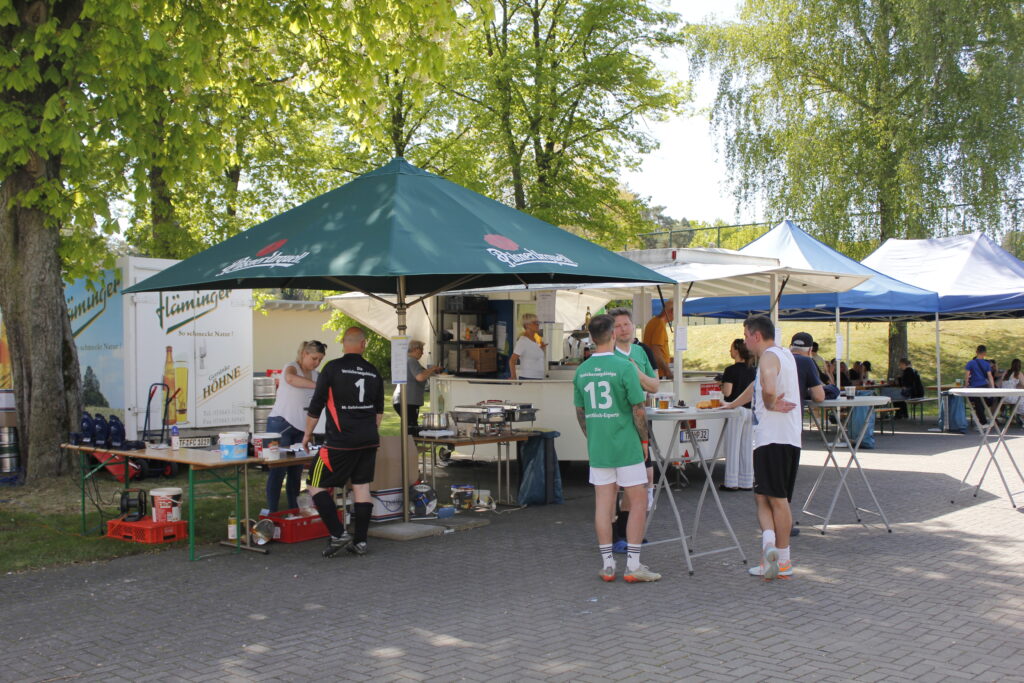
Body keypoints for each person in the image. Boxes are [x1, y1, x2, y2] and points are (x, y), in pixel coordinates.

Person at [573, 314, 660, 583]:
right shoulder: (623, 366)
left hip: (599, 446)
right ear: (612, 335)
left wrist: (591, 437)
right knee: (638, 501)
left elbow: (580, 412)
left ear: (591, 338)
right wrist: (644, 442)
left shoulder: (582, 370)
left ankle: (607, 564)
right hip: (626, 444)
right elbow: (638, 408)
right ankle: (633, 565)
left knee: (603, 504)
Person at [721, 315, 800, 581]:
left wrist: (770, 402)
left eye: (745, 335)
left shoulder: (767, 358)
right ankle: (771, 552)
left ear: (755, 335)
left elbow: (766, 383)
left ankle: (782, 558)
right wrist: (732, 405)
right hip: (787, 437)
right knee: (764, 496)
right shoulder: (785, 355)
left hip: (772, 438)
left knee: (776, 499)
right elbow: (757, 386)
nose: (744, 341)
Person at [302, 327, 385, 558]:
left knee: (314, 483)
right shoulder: (373, 371)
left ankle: (338, 534)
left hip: (340, 441)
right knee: (361, 486)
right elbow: (379, 412)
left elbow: (316, 406)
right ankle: (360, 542)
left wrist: (307, 434)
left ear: (343, 343)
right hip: (368, 439)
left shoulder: (332, 368)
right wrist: (367, 430)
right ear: (363, 344)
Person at [609, 307, 658, 552]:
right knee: (615, 484)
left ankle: (630, 531)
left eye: (626, 324)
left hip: (640, 424)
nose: (623, 329)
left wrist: (636, 374)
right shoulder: (609, 354)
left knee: (644, 479)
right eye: (617, 326)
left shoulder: (641, 351)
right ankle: (616, 534)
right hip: (618, 427)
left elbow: (655, 385)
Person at [264, 340, 326, 513]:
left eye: (320, 360)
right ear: (304, 354)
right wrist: (318, 386)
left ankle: (293, 511)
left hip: (301, 428)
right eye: (314, 358)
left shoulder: (316, 375)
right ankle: (272, 512)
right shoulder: (291, 367)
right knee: (278, 470)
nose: (316, 363)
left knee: (296, 472)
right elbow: (291, 379)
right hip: (281, 423)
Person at [720, 338, 756, 492]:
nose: (730, 351)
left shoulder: (730, 370)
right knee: (747, 446)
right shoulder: (753, 370)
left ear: (737, 351)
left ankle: (731, 481)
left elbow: (727, 392)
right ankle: (747, 480)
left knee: (733, 446)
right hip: (750, 410)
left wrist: (721, 386)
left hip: (735, 410)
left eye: (731, 348)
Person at [392, 339, 443, 433]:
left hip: (401, 398)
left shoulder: (406, 360)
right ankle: (411, 446)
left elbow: (421, 373)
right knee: (412, 427)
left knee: (408, 426)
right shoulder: (412, 361)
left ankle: (407, 445)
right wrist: (432, 370)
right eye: (421, 350)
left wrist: (432, 370)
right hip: (409, 400)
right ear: (415, 349)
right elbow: (420, 377)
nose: (422, 353)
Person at [789, 332, 826, 404]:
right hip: (793, 411)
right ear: (810, 350)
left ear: (790, 347)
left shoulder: (779, 358)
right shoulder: (807, 361)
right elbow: (819, 397)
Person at [964, 345, 996, 425]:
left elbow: (967, 376)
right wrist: (992, 387)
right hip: (984, 386)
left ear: (976, 352)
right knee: (983, 403)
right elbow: (990, 376)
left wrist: (966, 385)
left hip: (975, 387)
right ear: (985, 353)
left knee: (978, 405)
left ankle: (983, 422)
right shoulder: (986, 364)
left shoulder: (970, 363)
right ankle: (986, 421)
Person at [642, 299, 673, 379]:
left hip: (653, 370)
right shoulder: (659, 324)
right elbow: (656, 351)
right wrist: (667, 371)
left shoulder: (654, 321)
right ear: (672, 311)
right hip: (658, 373)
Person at [509, 313, 546, 380]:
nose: (538, 324)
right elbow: (512, 360)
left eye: (538, 322)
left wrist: (542, 348)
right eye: (535, 322)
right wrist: (513, 376)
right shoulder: (523, 341)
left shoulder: (537, 339)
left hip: (539, 377)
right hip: (527, 377)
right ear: (527, 325)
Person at [1000, 359, 1024, 424]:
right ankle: (1021, 415)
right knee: (1022, 398)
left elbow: (1001, 383)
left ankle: (1018, 415)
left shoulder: (1006, 372)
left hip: (1003, 397)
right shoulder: (1019, 373)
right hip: (1011, 396)